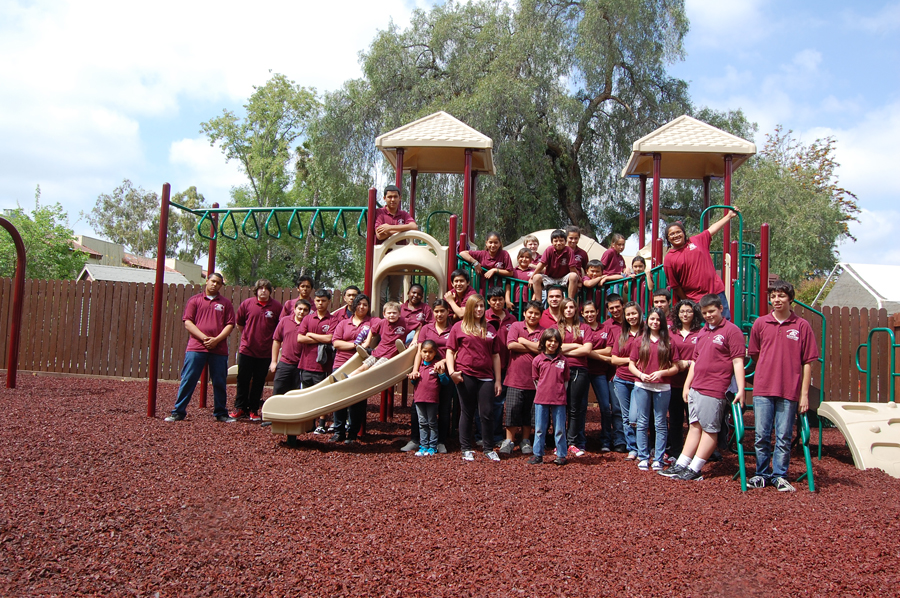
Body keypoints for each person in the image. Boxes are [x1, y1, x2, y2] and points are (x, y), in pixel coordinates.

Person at [660, 293, 746, 481]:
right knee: (694, 426)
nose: (708, 315)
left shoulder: (732, 331)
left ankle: (696, 467)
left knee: (709, 428)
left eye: (711, 311)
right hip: (697, 387)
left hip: (715, 387)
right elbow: (696, 361)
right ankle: (682, 463)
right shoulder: (704, 332)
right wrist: (687, 386)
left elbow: (738, 362)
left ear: (721, 309)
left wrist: (741, 389)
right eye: (705, 312)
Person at [747, 280, 819, 492]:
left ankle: (779, 475)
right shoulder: (761, 324)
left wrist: (804, 394)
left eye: (781, 296)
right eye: (773, 296)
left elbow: (808, 362)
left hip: (789, 390)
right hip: (763, 389)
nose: (776, 300)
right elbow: (756, 353)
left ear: (790, 299)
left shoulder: (801, 326)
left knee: (784, 436)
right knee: (761, 435)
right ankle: (761, 473)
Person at [166, 273, 236, 423]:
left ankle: (221, 413)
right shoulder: (195, 301)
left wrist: (216, 340)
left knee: (219, 381)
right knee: (189, 379)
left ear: (221, 286)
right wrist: (204, 338)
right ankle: (178, 412)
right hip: (196, 347)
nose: (215, 285)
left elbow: (230, 325)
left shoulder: (225, 304)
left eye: (218, 283)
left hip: (218, 349)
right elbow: (188, 323)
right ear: (207, 281)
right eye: (213, 281)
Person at [446, 295, 503, 462]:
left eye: (481, 306)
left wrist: (498, 380)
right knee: (467, 411)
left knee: (486, 413)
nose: (479, 309)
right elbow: (450, 351)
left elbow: (496, 355)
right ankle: (466, 449)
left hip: (486, 376)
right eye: (475, 306)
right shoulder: (459, 327)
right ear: (469, 308)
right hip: (466, 374)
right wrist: (451, 372)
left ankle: (488, 448)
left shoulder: (491, 328)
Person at [629, 308, 682, 471]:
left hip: (662, 386)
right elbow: (631, 364)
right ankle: (643, 456)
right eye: (652, 319)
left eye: (658, 319)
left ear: (662, 322)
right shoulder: (639, 341)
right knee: (642, 421)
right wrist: (640, 374)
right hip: (642, 385)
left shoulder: (669, 342)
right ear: (647, 320)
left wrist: (661, 372)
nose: (655, 322)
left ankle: (658, 458)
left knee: (660, 423)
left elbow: (676, 367)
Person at [662, 209, 739, 320]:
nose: (676, 235)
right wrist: (688, 302)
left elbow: (711, 229)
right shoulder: (669, 259)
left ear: (684, 233)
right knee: (702, 330)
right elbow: (676, 286)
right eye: (672, 234)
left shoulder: (696, 240)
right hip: (696, 299)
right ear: (668, 239)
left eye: (678, 232)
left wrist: (729, 216)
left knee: (724, 324)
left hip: (716, 292)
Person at [408, 299, 456, 454]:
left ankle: (440, 441)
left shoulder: (453, 329)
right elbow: (419, 352)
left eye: (442, 311)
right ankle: (416, 440)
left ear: (448, 312)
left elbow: (456, 351)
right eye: (436, 311)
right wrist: (416, 370)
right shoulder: (426, 328)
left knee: (444, 407)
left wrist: (443, 361)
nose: (439, 314)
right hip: (426, 373)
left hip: (444, 372)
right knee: (418, 407)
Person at [231, 279, 283, 421]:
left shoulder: (277, 307)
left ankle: (253, 409)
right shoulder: (247, 304)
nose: (263, 291)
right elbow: (240, 324)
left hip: (265, 351)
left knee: (259, 381)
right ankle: (240, 407)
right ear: (256, 290)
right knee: (242, 379)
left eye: (266, 288)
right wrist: (248, 337)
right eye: (260, 288)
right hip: (247, 350)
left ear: (270, 291)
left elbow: (279, 329)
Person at [501, 301, 544, 456]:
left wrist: (523, 341)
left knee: (530, 412)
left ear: (540, 315)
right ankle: (509, 441)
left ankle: (526, 440)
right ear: (524, 313)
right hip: (515, 378)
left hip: (535, 380)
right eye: (530, 313)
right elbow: (511, 345)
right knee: (512, 410)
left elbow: (543, 350)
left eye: (536, 313)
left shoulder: (544, 331)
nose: (532, 316)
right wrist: (534, 346)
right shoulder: (516, 326)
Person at [330, 293, 374, 444]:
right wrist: (355, 346)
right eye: (360, 304)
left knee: (357, 400)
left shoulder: (372, 323)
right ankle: (338, 431)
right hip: (341, 363)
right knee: (338, 397)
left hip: (361, 365)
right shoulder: (343, 323)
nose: (362, 307)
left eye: (365, 305)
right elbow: (336, 343)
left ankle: (353, 433)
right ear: (354, 306)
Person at [608, 301, 644, 459]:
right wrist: (632, 360)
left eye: (634, 313)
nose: (631, 317)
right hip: (621, 379)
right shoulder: (622, 335)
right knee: (625, 415)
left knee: (636, 416)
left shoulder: (646, 333)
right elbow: (614, 360)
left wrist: (630, 361)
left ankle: (643, 445)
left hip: (640, 380)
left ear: (640, 314)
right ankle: (632, 447)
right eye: (628, 314)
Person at [297, 289, 336, 433]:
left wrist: (311, 334)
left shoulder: (333, 320)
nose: (320, 303)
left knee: (322, 395)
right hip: (306, 363)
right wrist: (320, 337)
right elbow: (300, 338)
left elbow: (330, 338)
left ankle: (321, 423)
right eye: (318, 300)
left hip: (323, 365)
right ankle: (308, 422)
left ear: (328, 302)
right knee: (306, 393)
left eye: (323, 300)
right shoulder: (308, 318)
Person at [529, 328, 570, 466]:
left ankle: (561, 454)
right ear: (544, 342)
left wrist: (559, 391)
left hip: (559, 399)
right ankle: (538, 454)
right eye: (549, 341)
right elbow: (536, 379)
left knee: (559, 429)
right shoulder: (538, 360)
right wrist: (542, 391)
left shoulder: (563, 360)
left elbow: (566, 380)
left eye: (555, 341)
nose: (552, 344)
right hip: (541, 399)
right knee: (540, 428)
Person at [558, 298, 592, 457]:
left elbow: (587, 350)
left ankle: (571, 442)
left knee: (574, 408)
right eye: (566, 307)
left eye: (572, 307)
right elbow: (555, 348)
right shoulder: (556, 327)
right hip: (559, 369)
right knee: (559, 406)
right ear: (562, 310)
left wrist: (566, 350)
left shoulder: (584, 327)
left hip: (580, 370)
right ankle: (559, 441)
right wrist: (577, 346)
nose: (569, 310)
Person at [668, 299, 702, 455]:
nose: (685, 314)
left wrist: (687, 363)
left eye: (688, 311)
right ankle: (676, 452)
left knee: (693, 421)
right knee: (675, 420)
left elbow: (703, 356)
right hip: (673, 382)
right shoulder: (670, 332)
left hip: (694, 383)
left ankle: (692, 453)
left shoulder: (701, 333)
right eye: (682, 311)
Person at [486, 287, 517, 447]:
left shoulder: (512, 319)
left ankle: (497, 436)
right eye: (494, 300)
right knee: (485, 403)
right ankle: (482, 435)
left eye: (500, 299)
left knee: (499, 403)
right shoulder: (484, 317)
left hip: (507, 366)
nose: (497, 302)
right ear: (489, 301)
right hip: (486, 367)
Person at [410, 340, 451, 457]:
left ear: (435, 353)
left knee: (432, 422)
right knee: (422, 422)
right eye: (425, 351)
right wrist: (413, 377)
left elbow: (445, 382)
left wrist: (442, 374)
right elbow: (414, 382)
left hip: (432, 400)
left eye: (430, 352)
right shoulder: (419, 366)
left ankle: (432, 446)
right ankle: (423, 446)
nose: (427, 354)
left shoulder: (437, 365)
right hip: (419, 399)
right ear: (421, 352)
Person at [582, 301, 613, 452]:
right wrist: (602, 356)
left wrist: (588, 352)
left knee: (605, 407)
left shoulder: (605, 329)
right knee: (580, 407)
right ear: (582, 314)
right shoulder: (580, 329)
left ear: (596, 312)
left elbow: (609, 350)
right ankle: (580, 440)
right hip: (582, 371)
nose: (589, 315)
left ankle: (606, 440)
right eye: (586, 312)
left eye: (592, 311)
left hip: (600, 372)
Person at [601, 294, 627, 451]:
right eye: (612, 308)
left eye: (618, 306)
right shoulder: (606, 326)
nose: (615, 310)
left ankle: (632, 440)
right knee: (615, 408)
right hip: (613, 373)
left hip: (633, 372)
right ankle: (618, 440)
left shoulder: (632, 321)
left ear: (622, 306)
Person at [353, 301, 407, 375]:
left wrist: (414, 339)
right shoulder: (382, 322)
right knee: (363, 367)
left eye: (394, 313)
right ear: (384, 314)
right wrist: (367, 342)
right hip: (378, 352)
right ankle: (347, 378)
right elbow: (372, 330)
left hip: (390, 354)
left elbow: (419, 326)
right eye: (389, 313)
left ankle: (353, 380)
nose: (392, 315)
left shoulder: (404, 322)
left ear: (399, 314)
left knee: (373, 369)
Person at [269, 300, 310, 397]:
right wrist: (274, 361)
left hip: (301, 366)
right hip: (285, 363)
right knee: (278, 391)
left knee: (295, 394)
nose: (301, 312)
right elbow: (276, 340)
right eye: (299, 309)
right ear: (295, 309)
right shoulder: (284, 321)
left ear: (308, 312)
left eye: (305, 310)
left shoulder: (309, 324)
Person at [531, 229, 579, 300]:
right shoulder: (549, 250)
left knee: (573, 275)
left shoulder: (569, 250)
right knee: (536, 278)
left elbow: (572, 268)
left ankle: (569, 301)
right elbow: (541, 265)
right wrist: (532, 277)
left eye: (561, 240)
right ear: (552, 242)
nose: (558, 243)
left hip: (563, 278)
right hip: (550, 277)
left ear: (565, 241)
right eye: (556, 241)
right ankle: (539, 303)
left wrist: (579, 279)